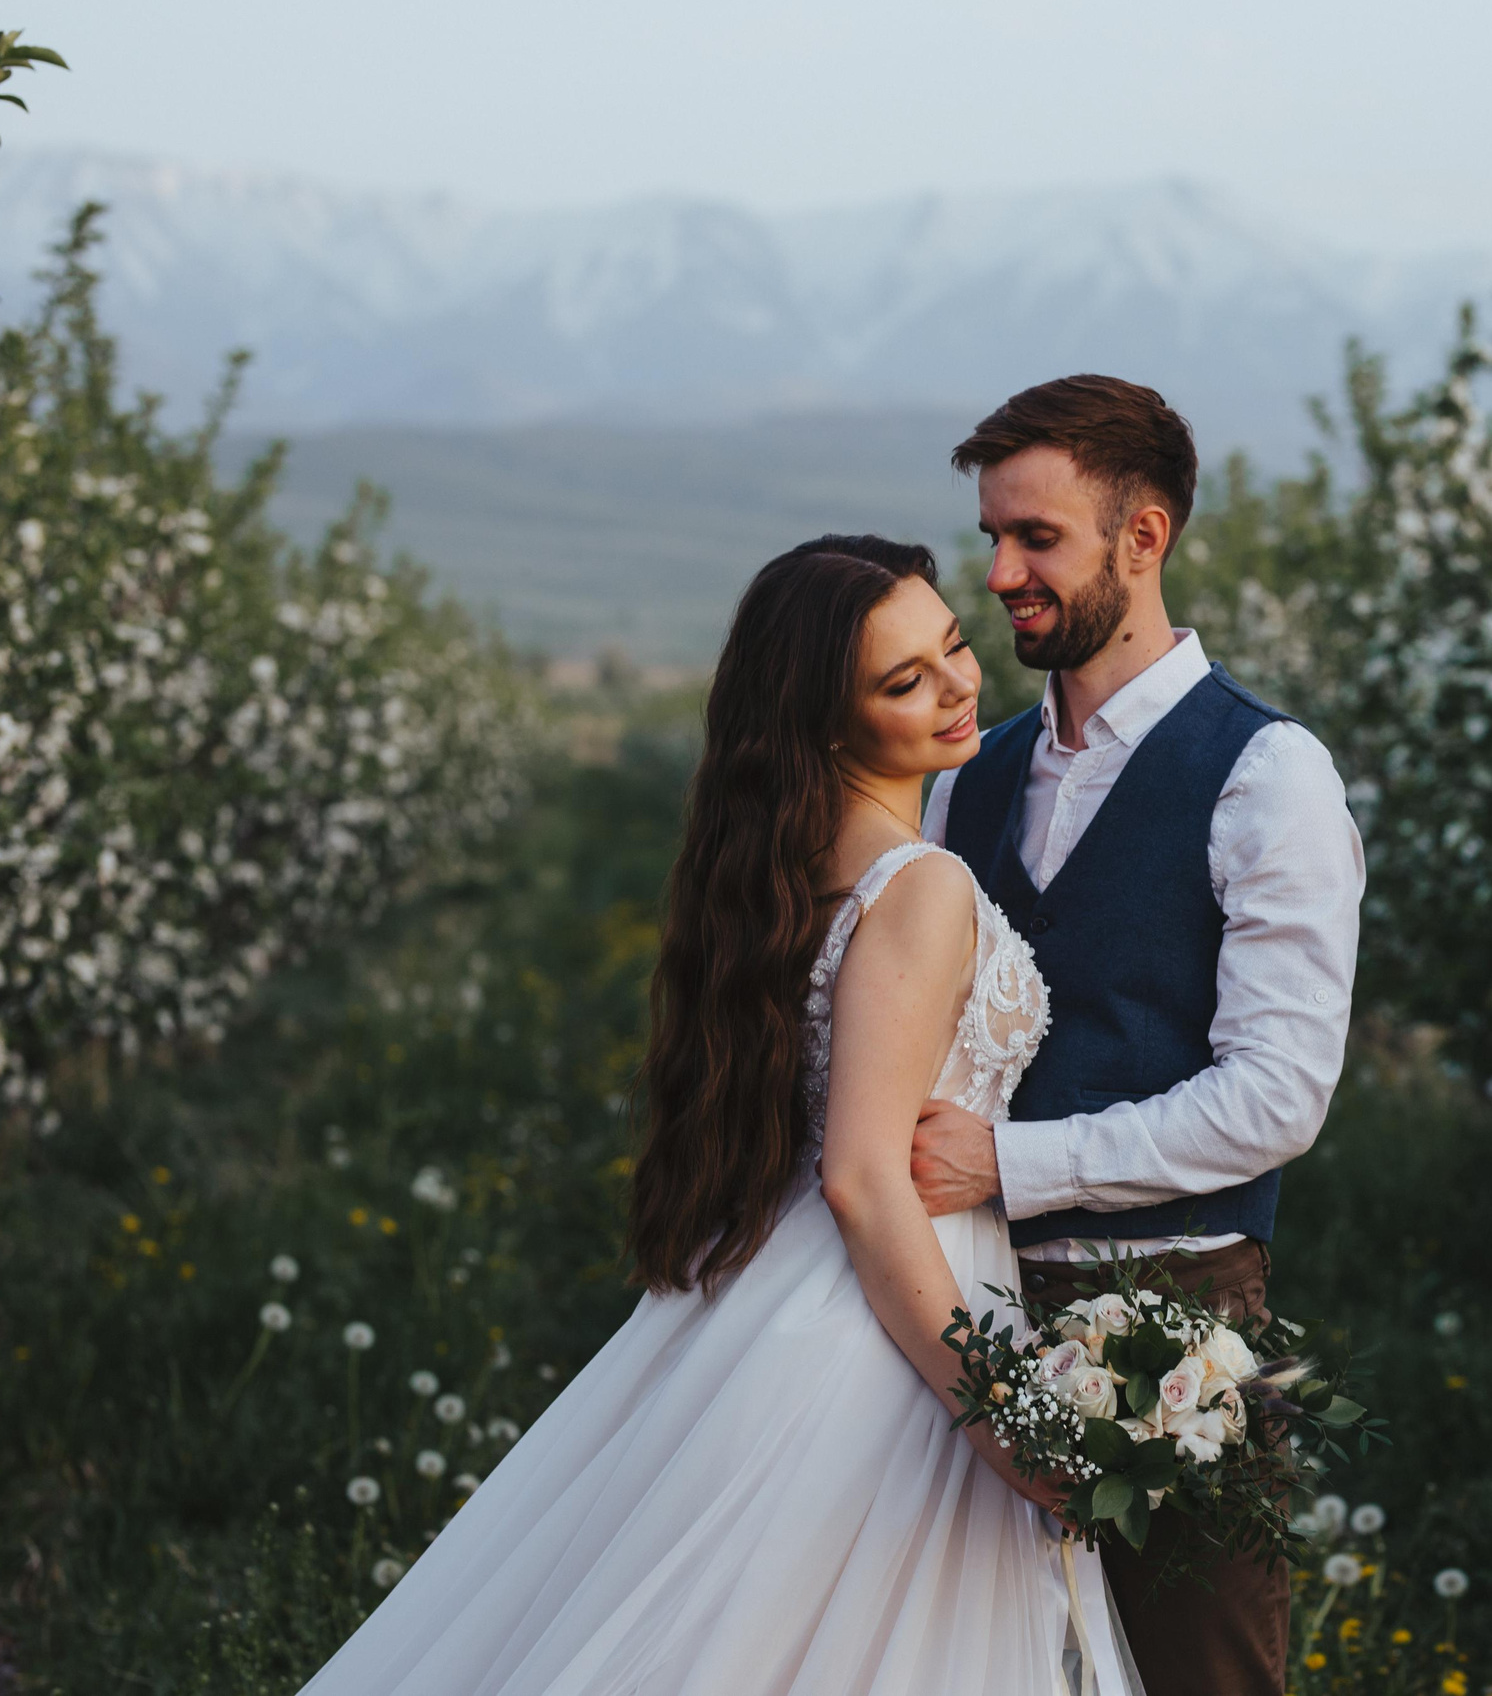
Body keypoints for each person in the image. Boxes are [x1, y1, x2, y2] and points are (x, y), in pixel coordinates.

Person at [295, 535, 1141, 1696]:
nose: (956, 686)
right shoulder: (922, 884)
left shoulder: (799, 866)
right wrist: (1001, 1415)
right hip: (896, 1318)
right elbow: (857, 1171)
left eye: (950, 645)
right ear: (826, 723)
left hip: (804, 1288)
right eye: (903, 682)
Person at [913, 376, 1365, 1696]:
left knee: (1198, 1674)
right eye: (991, 537)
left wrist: (1009, 1162)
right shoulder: (968, 774)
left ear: (1144, 537)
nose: (999, 572)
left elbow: (1276, 1096)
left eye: (1035, 537)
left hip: (1172, 1322)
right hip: (963, 1310)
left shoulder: (1268, 774)